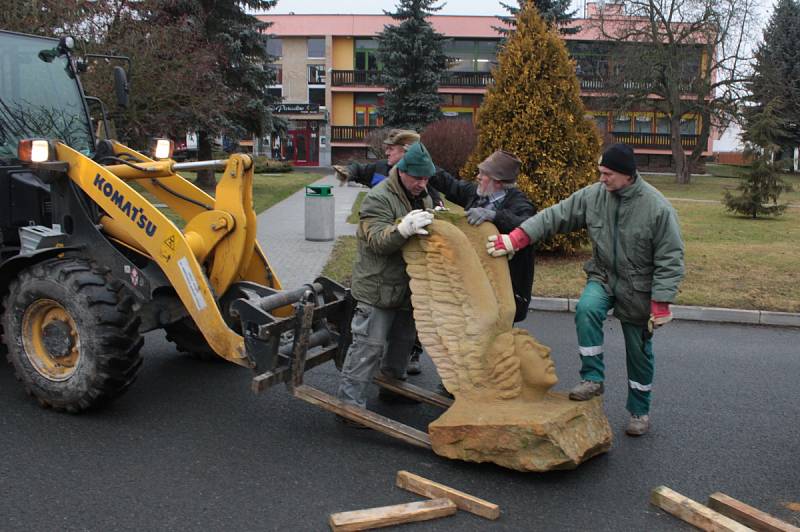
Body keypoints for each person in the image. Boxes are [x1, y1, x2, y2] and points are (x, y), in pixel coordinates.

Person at [485, 144, 685, 437]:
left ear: (627, 175)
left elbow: (671, 256)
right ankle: (593, 378)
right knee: (586, 308)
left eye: (607, 174)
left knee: (638, 351)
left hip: (638, 287)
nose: (602, 179)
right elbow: (555, 215)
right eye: (600, 173)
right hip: (603, 275)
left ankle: (639, 412)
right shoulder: (594, 196)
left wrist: (661, 302)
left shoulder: (656, 208)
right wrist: (517, 238)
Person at [336, 142, 436, 422]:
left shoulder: (421, 196)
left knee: (402, 342)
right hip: (377, 287)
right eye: (417, 177)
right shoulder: (378, 198)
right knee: (368, 346)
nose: (422, 183)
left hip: (405, 287)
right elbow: (378, 241)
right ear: (402, 172)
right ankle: (349, 406)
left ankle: (392, 388)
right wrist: (402, 229)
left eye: (426, 178)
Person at [428, 149, 536, 323]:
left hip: (502, 291)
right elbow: (449, 184)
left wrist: (494, 216)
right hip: (473, 285)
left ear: (498, 182)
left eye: (484, 174)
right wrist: (422, 158)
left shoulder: (519, 203)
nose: (478, 177)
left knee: (496, 343)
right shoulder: (477, 194)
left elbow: (528, 225)